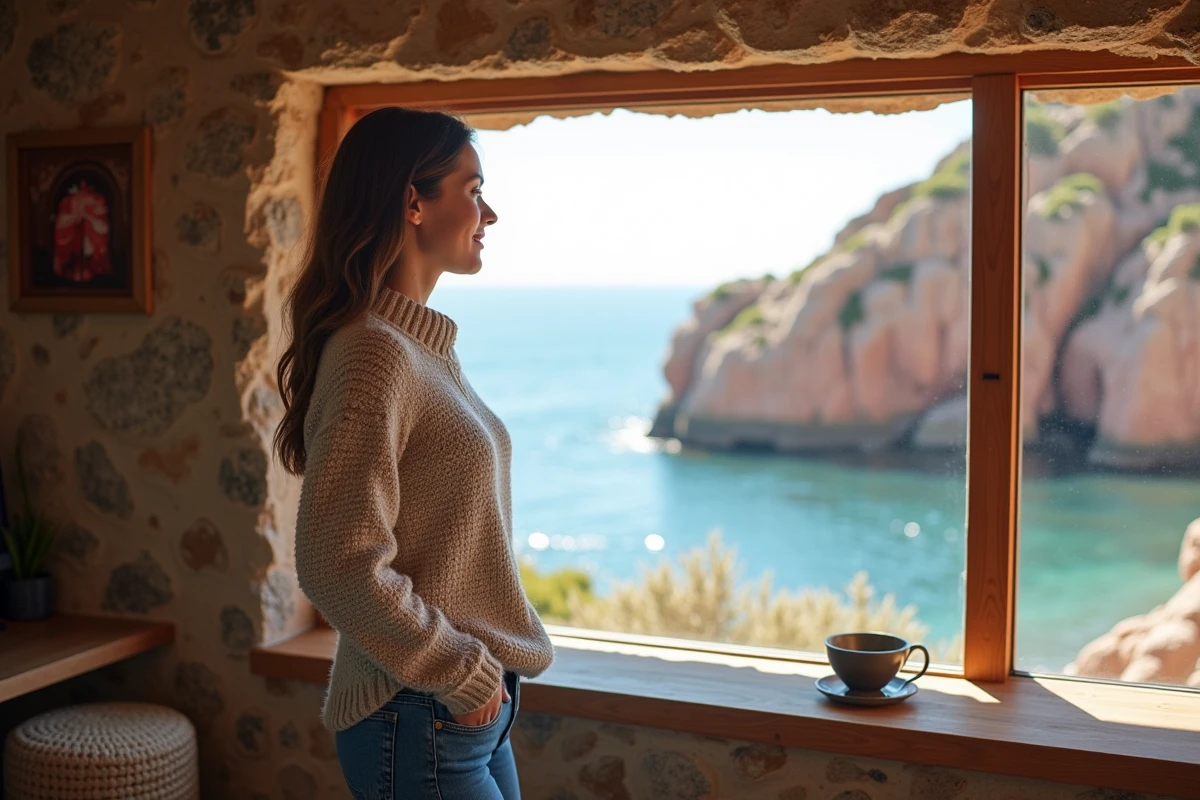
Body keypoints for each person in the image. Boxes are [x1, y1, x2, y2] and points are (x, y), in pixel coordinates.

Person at [274, 107, 555, 799]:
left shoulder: (421, 348)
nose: (489, 214)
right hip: (421, 711)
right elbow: (338, 562)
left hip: (458, 711)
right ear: (413, 202)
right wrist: (461, 670)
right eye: (472, 189)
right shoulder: (375, 353)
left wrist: (475, 678)